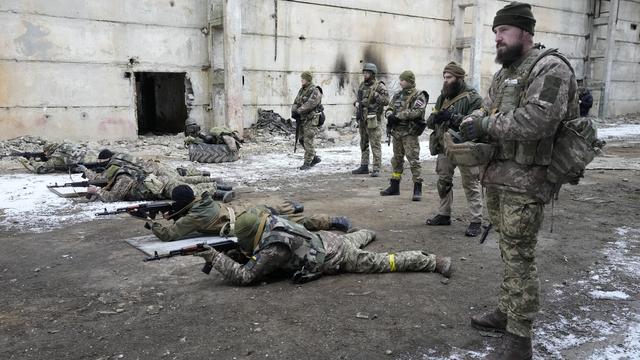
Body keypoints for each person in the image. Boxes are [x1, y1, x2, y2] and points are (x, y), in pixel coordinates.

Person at [459, 3, 579, 359]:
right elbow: (491, 108)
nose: (497, 37)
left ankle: (520, 336)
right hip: (499, 176)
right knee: (508, 251)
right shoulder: (505, 72)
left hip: (528, 181)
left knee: (520, 255)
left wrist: (486, 126)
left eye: (504, 31)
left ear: (525, 33)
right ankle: (506, 311)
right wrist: (474, 119)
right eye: (495, 32)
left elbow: (540, 120)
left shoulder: (551, 68)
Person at [192, 208, 453, 285]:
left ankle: (432, 261)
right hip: (327, 240)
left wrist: (215, 258)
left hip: (336, 256)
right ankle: (367, 232)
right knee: (355, 237)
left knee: (384, 262)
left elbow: (247, 275)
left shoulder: (272, 249)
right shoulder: (270, 220)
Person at [147, 185, 352, 241]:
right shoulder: (204, 202)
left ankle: (328, 225)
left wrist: (150, 221)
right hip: (247, 211)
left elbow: (169, 235)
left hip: (247, 224)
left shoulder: (193, 217)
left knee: (291, 227)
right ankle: (332, 220)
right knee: (291, 219)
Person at [425, 62, 484, 237]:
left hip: (465, 147)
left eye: (449, 77)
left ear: (459, 78)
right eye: (444, 77)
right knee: (443, 182)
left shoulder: (473, 98)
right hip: (445, 146)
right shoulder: (444, 96)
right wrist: (434, 118)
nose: (446, 81)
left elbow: (476, 122)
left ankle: (476, 220)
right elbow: (431, 120)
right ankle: (444, 214)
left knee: (470, 183)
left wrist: (452, 117)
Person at [82, 150, 232, 203]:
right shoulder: (123, 173)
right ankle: (218, 186)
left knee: (189, 191)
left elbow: (113, 197)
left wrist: (97, 191)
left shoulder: (123, 178)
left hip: (161, 187)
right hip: (159, 182)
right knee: (187, 184)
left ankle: (219, 191)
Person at [381, 70, 428, 201]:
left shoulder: (419, 95)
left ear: (409, 81)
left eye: (403, 80)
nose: (400, 82)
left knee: (413, 160)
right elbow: (389, 108)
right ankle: (394, 186)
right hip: (397, 133)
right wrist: (389, 115)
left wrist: (398, 116)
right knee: (397, 160)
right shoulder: (397, 95)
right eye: (400, 80)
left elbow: (417, 112)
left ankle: (417, 188)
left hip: (409, 133)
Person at [351, 63, 390, 177]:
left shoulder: (379, 86)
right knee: (363, 142)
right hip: (363, 118)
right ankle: (364, 166)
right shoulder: (362, 85)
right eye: (364, 72)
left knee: (375, 143)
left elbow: (386, 101)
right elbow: (359, 99)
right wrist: (357, 103)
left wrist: (376, 96)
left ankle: (376, 167)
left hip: (373, 119)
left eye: (367, 73)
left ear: (373, 74)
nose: (365, 74)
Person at [292, 71, 323, 170]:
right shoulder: (302, 90)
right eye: (301, 78)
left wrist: (299, 110)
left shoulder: (315, 90)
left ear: (308, 79)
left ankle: (307, 162)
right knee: (301, 139)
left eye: (303, 78)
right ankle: (314, 157)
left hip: (311, 119)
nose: (301, 80)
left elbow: (311, 103)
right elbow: (296, 101)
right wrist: (294, 111)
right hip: (302, 119)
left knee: (308, 140)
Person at [18, 142, 88, 174]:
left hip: (82, 167)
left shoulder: (56, 158)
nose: (45, 153)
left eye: (45, 152)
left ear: (50, 150)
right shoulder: (64, 146)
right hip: (87, 160)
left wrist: (31, 160)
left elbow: (41, 170)